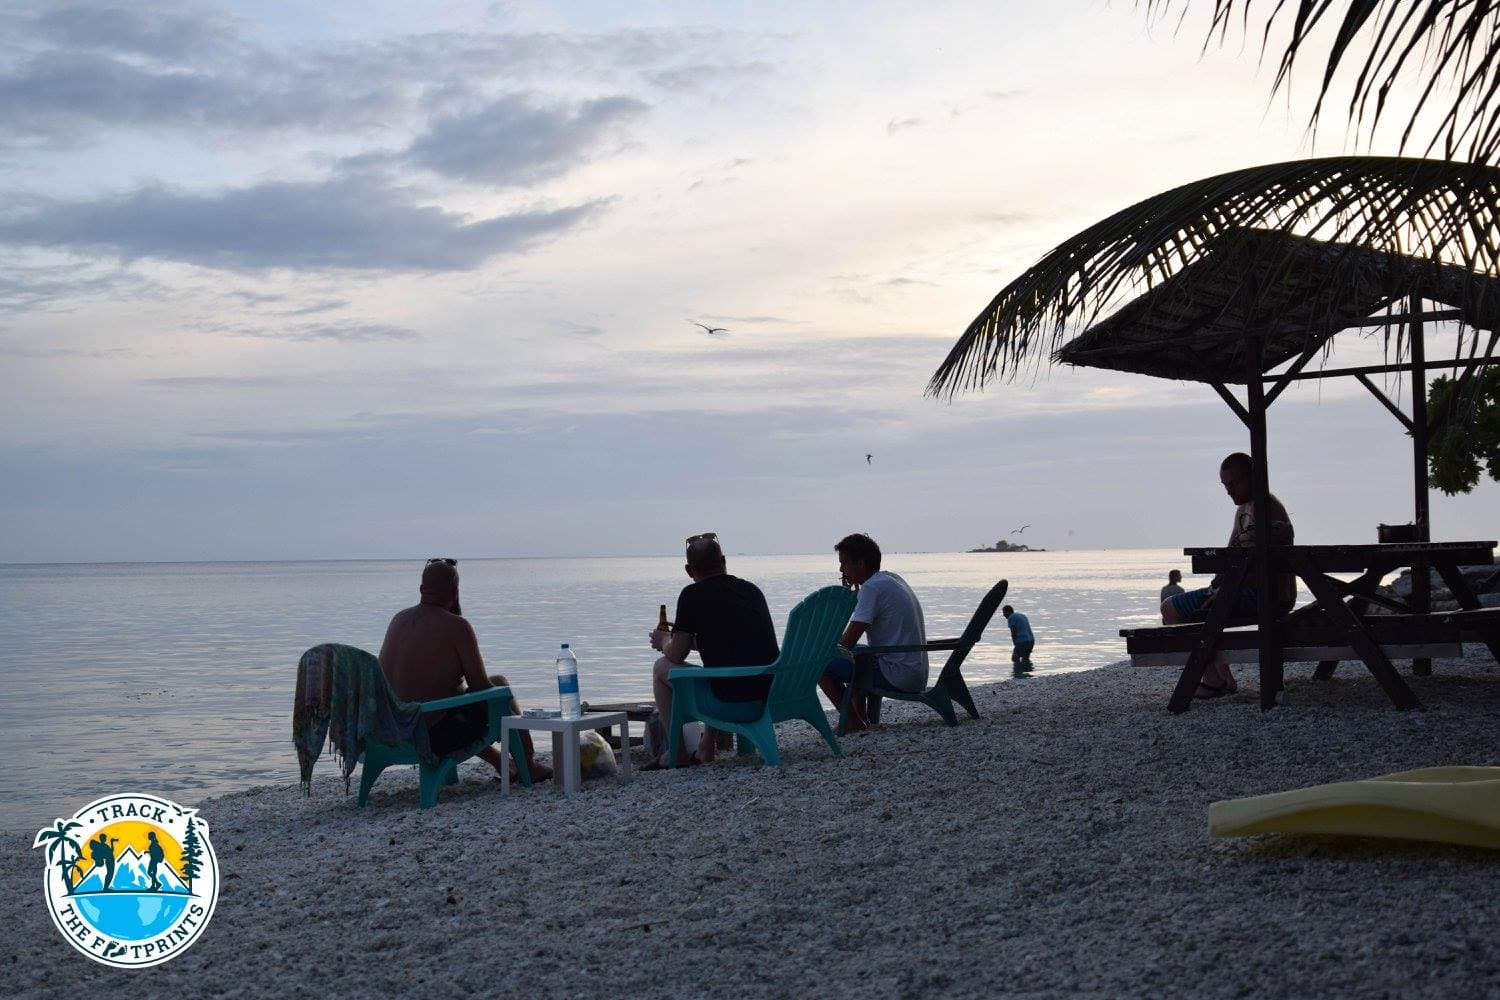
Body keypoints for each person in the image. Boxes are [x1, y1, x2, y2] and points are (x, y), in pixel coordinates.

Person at [378, 560, 551, 780]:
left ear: (422, 589)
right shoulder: (457, 626)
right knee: (499, 686)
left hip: (391, 732)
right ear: (455, 591)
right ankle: (527, 764)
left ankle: (501, 762)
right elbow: (481, 687)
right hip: (431, 739)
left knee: (451, 704)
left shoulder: (398, 620)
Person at [1161, 451, 1296, 698]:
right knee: (1202, 609)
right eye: (1225, 485)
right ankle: (1223, 679)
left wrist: (1223, 590)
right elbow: (1232, 556)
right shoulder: (1245, 508)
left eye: (1234, 483)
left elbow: (1257, 565)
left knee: (1171, 609)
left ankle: (1214, 680)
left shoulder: (1266, 509)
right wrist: (1218, 586)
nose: (1229, 491)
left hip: (1264, 595)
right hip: (1248, 590)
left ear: (1253, 477)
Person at [648, 534, 779, 768]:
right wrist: (689, 640)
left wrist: (663, 639)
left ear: (689, 570)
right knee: (716, 671)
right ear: (724, 560)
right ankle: (706, 746)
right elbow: (733, 643)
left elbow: (676, 655)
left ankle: (676, 753)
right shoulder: (752, 591)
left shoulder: (692, 595)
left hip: (730, 703)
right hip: (769, 694)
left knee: (661, 668)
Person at [818, 533, 928, 732]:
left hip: (897, 674)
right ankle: (863, 720)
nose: (841, 569)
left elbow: (846, 644)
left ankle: (853, 722)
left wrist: (822, 650)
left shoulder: (872, 589)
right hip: (914, 671)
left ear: (860, 563)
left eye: (844, 563)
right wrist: (853, 596)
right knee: (860, 655)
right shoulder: (890, 578)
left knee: (819, 663)